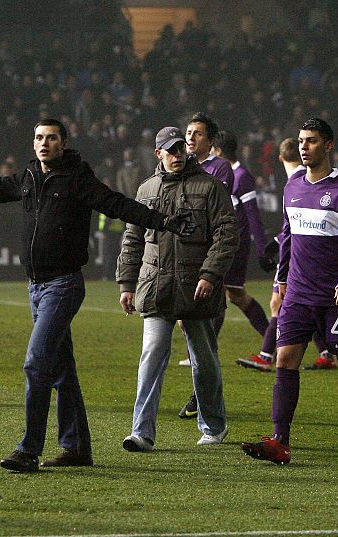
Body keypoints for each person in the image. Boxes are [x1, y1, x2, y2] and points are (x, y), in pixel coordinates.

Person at [0, 118, 197, 472]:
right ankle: (77, 448)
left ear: (63, 144)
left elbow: (116, 204)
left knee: (36, 363)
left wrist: (163, 221)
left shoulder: (77, 177)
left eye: (51, 138)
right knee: (62, 370)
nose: (43, 143)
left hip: (63, 286)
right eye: (38, 137)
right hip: (36, 287)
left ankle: (28, 449)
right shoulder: (29, 176)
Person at [242, 118, 338, 465]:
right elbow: (288, 235)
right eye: (300, 140)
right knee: (285, 359)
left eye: (311, 141)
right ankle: (280, 441)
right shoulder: (293, 185)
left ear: (328, 145)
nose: (303, 146)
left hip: (333, 296)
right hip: (297, 293)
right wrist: (280, 278)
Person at [118, 127, 238, 451]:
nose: (176, 155)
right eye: (169, 150)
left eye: (179, 149)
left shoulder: (210, 188)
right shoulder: (146, 190)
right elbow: (132, 240)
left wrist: (209, 276)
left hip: (196, 289)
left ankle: (213, 425)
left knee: (204, 360)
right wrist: (127, 284)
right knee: (151, 356)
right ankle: (141, 432)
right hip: (156, 287)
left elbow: (226, 235)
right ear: (158, 154)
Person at [236, 138, 333, 372]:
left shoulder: (299, 181)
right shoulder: (299, 179)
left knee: (278, 303)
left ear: (279, 158)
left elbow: (295, 225)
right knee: (300, 305)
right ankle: (327, 353)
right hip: (303, 254)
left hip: (298, 256)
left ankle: (265, 356)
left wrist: (277, 244)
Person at [175, 112, 236, 416]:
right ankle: (202, 395)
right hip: (182, 259)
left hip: (208, 258)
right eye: (188, 131)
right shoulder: (178, 166)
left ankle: (202, 399)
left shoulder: (220, 169)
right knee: (190, 326)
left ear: (211, 141)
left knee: (206, 329)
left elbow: (213, 216)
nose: (190, 137)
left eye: (198, 133)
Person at [212, 130, 275, 336]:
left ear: (219, 151)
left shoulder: (241, 176)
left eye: (213, 149)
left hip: (235, 246)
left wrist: (263, 250)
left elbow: (252, 215)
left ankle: (203, 354)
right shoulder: (222, 175)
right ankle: (271, 342)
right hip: (223, 244)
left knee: (219, 294)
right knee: (235, 295)